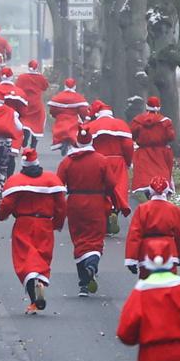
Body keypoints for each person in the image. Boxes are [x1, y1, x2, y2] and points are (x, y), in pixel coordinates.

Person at [0, 144, 66, 314]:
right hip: (45, 224)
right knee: (42, 256)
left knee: (25, 261)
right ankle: (41, 282)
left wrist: (3, 215)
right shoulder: (51, 181)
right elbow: (61, 206)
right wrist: (57, 223)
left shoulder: (15, 182)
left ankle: (33, 299)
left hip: (24, 224)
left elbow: (6, 205)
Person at [59, 125, 125, 294]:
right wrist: (107, 195)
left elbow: (59, 184)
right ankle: (92, 264)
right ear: (91, 141)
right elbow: (111, 183)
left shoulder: (67, 161)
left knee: (78, 237)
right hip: (96, 202)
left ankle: (83, 283)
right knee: (95, 237)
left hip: (74, 203)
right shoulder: (101, 160)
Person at [124, 177, 180, 278]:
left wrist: (131, 258)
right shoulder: (173, 209)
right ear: (167, 191)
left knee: (147, 284)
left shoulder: (143, 209)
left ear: (150, 191)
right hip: (169, 250)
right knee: (168, 283)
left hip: (147, 250)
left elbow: (134, 234)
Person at [88, 98, 135, 231]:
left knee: (102, 189)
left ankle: (105, 215)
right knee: (119, 189)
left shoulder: (92, 126)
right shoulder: (120, 124)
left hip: (99, 160)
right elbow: (128, 145)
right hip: (117, 160)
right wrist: (128, 160)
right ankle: (115, 211)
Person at [129, 96, 175, 197]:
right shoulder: (165, 121)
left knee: (144, 177)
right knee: (161, 173)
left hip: (143, 153)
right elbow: (171, 136)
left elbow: (131, 134)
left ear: (147, 107)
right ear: (158, 107)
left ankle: (144, 200)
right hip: (161, 154)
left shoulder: (137, 120)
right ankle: (161, 192)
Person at [13, 59, 50, 153]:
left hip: (25, 103)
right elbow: (45, 87)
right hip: (37, 104)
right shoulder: (41, 78)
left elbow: (17, 88)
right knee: (37, 124)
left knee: (25, 122)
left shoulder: (22, 77)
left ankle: (25, 139)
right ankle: (33, 146)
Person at [47, 77, 89, 149]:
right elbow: (83, 109)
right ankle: (74, 142)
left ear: (65, 86)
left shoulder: (59, 96)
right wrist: (85, 116)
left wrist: (54, 115)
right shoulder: (78, 97)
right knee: (74, 130)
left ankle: (57, 142)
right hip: (73, 117)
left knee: (57, 130)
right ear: (75, 86)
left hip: (60, 118)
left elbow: (53, 109)